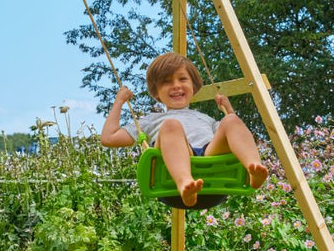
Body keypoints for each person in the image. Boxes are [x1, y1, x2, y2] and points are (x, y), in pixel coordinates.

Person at [101, 52, 268, 207]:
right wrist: (119, 102)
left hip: (209, 160)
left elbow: (234, 136)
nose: (176, 86)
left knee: (231, 120)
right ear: (156, 92)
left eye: (182, 79)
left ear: (193, 86)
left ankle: (252, 168)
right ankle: (184, 183)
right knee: (171, 125)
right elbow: (109, 138)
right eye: (167, 81)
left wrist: (229, 111)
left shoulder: (205, 119)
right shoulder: (152, 120)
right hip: (172, 176)